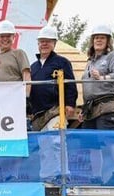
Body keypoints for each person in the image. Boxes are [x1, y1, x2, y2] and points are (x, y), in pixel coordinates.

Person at [29, 26, 78, 184]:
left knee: (57, 141)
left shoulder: (61, 62)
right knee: (44, 147)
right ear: (37, 43)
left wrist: (70, 103)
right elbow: (30, 90)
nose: (44, 44)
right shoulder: (34, 67)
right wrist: (30, 110)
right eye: (42, 41)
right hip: (39, 114)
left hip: (56, 109)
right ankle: (47, 177)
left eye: (48, 41)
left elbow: (70, 83)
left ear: (54, 43)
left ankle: (62, 174)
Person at [79, 24, 114, 186]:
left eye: (102, 38)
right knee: (92, 143)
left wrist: (103, 78)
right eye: (96, 37)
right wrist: (84, 109)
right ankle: (96, 177)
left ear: (108, 41)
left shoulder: (112, 56)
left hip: (106, 103)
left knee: (111, 138)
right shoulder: (90, 61)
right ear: (92, 41)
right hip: (91, 107)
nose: (98, 40)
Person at [0, 19, 30, 182]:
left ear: (13, 38)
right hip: (0, 104)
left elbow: (26, 75)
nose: (5, 39)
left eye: (8, 36)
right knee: (1, 137)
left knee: (16, 137)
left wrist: (26, 97)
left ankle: (14, 174)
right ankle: (3, 173)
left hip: (16, 102)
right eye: (2, 36)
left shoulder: (18, 53)